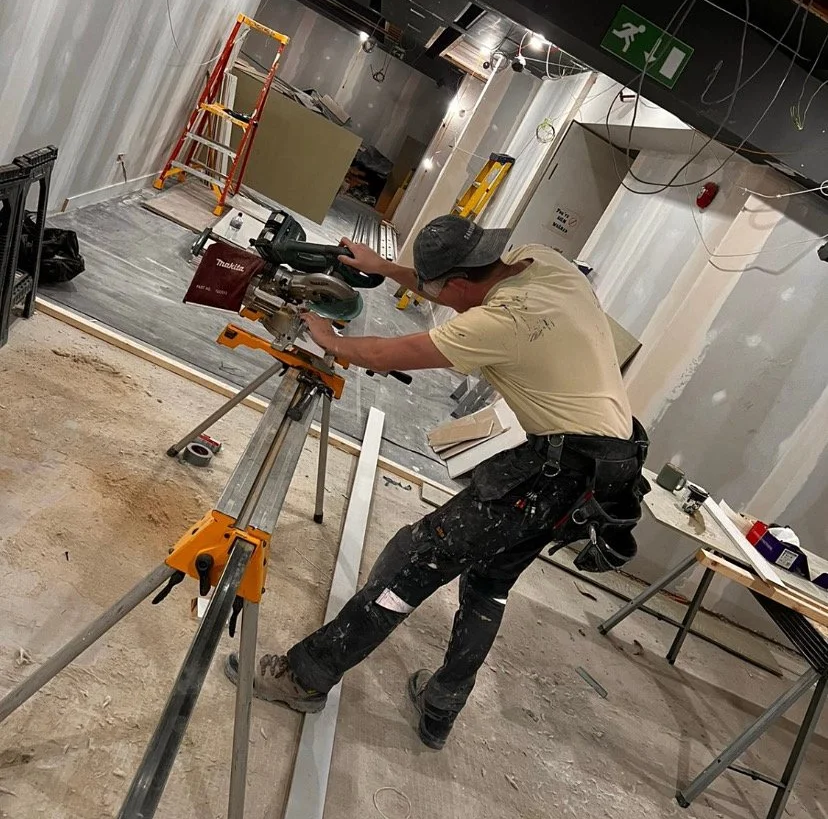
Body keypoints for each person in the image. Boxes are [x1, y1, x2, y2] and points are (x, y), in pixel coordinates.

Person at [226, 215, 647, 749]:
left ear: (455, 285)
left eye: (435, 288)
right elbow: (463, 289)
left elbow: (381, 353)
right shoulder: (547, 263)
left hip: (555, 473)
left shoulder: (495, 327)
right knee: (490, 584)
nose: (435, 297)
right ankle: (441, 704)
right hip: (600, 466)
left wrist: (327, 336)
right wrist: (383, 268)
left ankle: (304, 677)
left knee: (415, 559)